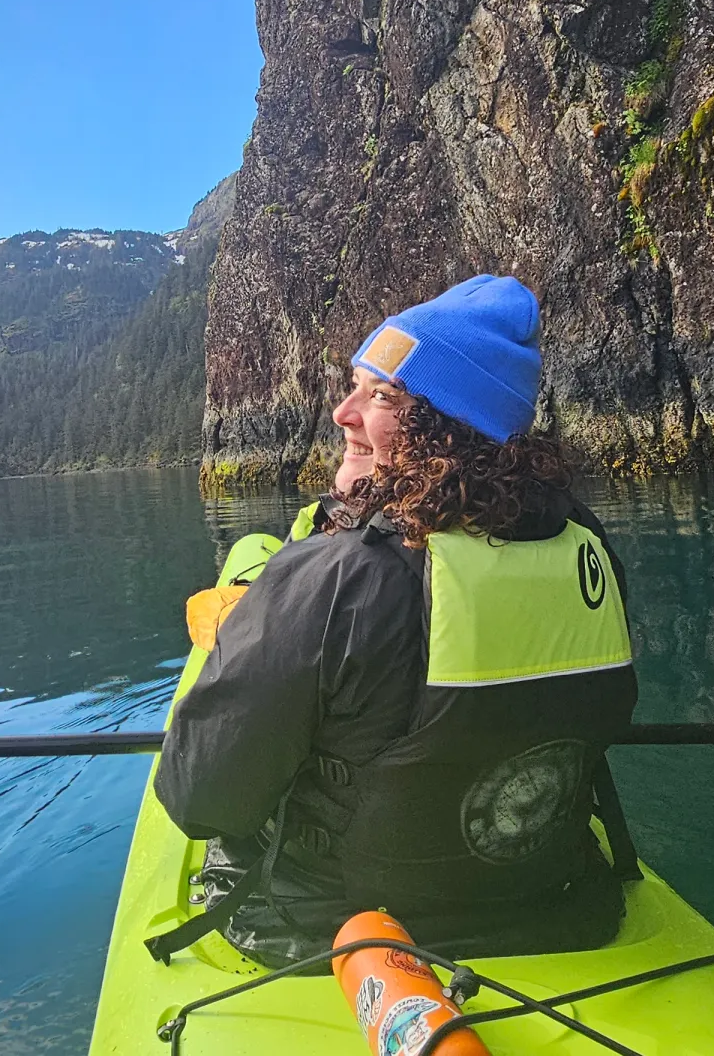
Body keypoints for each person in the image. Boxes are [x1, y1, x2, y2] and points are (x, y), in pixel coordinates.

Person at [152, 275, 638, 967]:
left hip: (337, 930)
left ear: (447, 425)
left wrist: (250, 634)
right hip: (555, 904)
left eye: (381, 396)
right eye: (354, 387)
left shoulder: (337, 575)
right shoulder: (587, 547)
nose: (343, 413)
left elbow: (200, 802)